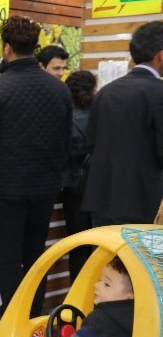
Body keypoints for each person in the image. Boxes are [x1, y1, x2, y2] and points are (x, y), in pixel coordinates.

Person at [0, 16, 72, 336]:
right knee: (34, 254)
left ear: (7, 47)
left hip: (8, 187)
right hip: (45, 187)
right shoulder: (59, 89)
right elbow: (66, 138)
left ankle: (10, 319)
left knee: (9, 258)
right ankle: (33, 317)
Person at [82, 20, 163, 226]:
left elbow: (90, 143)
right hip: (143, 201)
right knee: (137, 258)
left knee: (104, 257)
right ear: (160, 55)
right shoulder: (158, 93)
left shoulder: (105, 91)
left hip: (102, 197)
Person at [62, 70, 96, 281]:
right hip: (98, 183)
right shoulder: (101, 113)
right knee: (98, 244)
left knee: (78, 246)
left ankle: (77, 293)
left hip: (73, 185)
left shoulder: (63, 116)